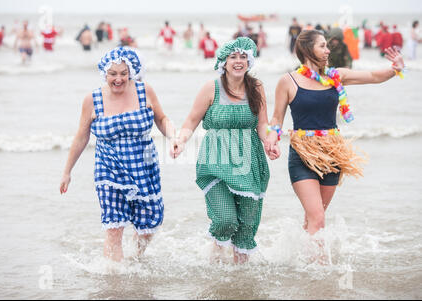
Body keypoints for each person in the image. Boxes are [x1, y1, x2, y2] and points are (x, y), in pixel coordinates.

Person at [266, 30, 405, 261]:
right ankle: (317, 271)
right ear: (308, 50)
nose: (328, 50)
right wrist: (272, 138)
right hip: (303, 154)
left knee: (315, 217)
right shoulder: (288, 81)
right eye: (322, 46)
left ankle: (302, 261)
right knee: (318, 217)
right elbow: (276, 118)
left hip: (332, 153)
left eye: (327, 46)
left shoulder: (336, 76)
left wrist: (395, 69)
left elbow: (372, 75)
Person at [59, 47, 176, 262]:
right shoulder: (92, 100)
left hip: (144, 167)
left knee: (149, 224)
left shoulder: (144, 91)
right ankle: (115, 279)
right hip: (109, 169)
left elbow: (161, 118)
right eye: (113, 74)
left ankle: (133, 258)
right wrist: (67, 172)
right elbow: (81, 137)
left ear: (131, 72)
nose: (119, 78)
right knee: (114, 227)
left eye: (123, 73)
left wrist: (174, 138)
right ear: (105, 73)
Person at [170, 37, 272, 264]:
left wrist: (269, 142)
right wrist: (181, 140)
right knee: (226, 219)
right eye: (233, 57)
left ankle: (240, 279)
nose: (238, 61)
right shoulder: (211, 88)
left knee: (246, 225)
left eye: (243, 57)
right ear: (223, 62)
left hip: (249, 162)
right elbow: (191, 121)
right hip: (215, 161)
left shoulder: (256, 88)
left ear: (250, 61)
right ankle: (213, 265)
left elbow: (262, 125)